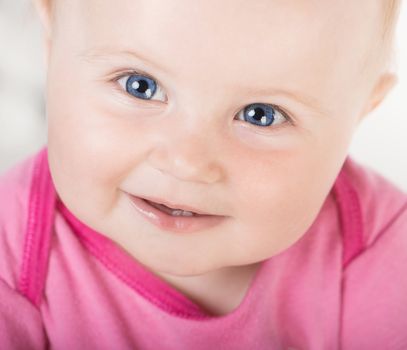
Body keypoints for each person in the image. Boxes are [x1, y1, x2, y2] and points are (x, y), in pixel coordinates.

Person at [0, 0, 406, 348]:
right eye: (139, 86)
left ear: (361, 110)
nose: (186, 163)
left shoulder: (380, 246)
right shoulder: (12, 258)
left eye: (260, 115)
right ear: (50, 42)